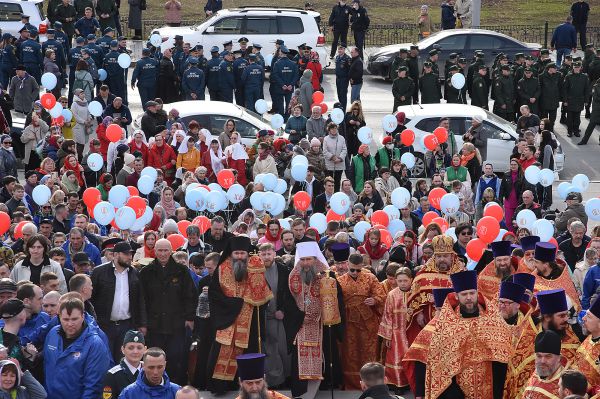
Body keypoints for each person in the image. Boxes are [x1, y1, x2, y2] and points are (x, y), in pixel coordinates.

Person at [414, 270, 511, 398]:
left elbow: (502, 359)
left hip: (488, 389)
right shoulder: (447, 325)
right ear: (456, 296)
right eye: (464, 294)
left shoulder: (493, 321)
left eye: (472, 293)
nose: (469, 297)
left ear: (477, 293)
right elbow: (441, 366)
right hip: (458, 391)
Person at [206, 236, 273, 393]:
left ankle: (250, 387)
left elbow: (263, 292)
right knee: (222, 351)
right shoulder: (222, 269)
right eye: (237, 253)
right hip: (227, 319)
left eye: (243, 253)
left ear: (247, 253)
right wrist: (234, 304)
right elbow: (214, 294)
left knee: (249, 353)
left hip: (250, 322)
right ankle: (220, 387)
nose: (240, 257)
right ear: (232, 252)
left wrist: (257, 299)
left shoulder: (255, 266)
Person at [287, 241, 344, 398]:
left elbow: (336, 300)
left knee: (325, 353)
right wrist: (300, 316)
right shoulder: (293, 276)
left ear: (315, 259)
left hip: (322, 325)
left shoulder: (327, 275)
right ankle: (301, 392)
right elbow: (287, 301)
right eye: (303, 260)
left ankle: (324, 386)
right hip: (301, 324)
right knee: (299, 359)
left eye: (309, 259)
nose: (306, 263)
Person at [139, 239, 197, 385]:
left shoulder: (181, 270)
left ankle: (177, 388)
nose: (163, 254)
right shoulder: (146, 272)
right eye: (160, 250)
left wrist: (189, 318)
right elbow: (141, 300)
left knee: (177, 357)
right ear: (155, 251)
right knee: (156, 358)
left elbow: (190, 296)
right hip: (155, 325)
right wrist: (143, 323)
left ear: (171, 251)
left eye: (166, 250)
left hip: (176, 323)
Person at [504, 288, 581, 398]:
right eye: (561, 316)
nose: (566, 319)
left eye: (566, 314)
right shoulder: (527, 335)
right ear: (547, 317)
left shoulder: (572, 341)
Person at [43, 296, 111, 399]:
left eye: (74, 319)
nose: (70, 324)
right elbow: (46, 368)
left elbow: (94, 386)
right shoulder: (52, 334)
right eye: (66, 319)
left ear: (83, 316)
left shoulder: (95, 344)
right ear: (59, 317)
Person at [90, 241, 147, 362]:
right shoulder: (99, 272)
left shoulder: (134, 273)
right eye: (126, 254)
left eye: (131, 254)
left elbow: (140, 300)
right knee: (104, 359)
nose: (129, 257)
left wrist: (142, 324)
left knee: (123, 360)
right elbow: (91, 299)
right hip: (104, 325)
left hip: (127, 325)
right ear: (115, 255)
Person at [338, 252, 386, 389]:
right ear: (347, 265)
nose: (355, 272)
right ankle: (351, 384)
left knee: (369, 351)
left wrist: (374, 300)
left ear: (362, 267)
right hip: (349, 322)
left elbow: (381, 295)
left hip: (368, 322)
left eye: (358, 270)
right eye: (352, 269)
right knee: (350, 352)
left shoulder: (370, 278)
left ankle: (372, 383)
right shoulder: (340, 280)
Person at [404, 236, 464, 343]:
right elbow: (413, 296)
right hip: (429, 322)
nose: (442, 259)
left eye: (445, 256)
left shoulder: (461, 273)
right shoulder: (423, 274)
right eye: (439, 256)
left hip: (456, 321)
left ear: (452, 256)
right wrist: (418, 313)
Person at [257, 244, 291, 388]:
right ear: (259, 255)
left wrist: (282, 310)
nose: (266, 257)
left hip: (280, 317)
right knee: (270, 350)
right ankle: (275, 381)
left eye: (269, 254)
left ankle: (288, 378)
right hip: (264, 317)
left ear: (274, 253)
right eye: (263, 255)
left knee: (283, 348)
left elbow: (290, 294)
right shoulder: (255, 271)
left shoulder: (284, 270)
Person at [378, 267, 412, 390]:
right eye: (400, 281)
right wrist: (387, 335)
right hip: (396, 333)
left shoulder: (415, 292)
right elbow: (387, 315)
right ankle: (396, 384)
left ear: (411, 280)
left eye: (405, 280)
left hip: (411, 332)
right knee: (396, 359)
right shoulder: (392, 294)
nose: (402, 283)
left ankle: (410, 383)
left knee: (411, 359)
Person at [101, 330, 146, 399]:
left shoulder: (148, 371)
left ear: (145, 350)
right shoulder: (112, 375)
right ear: (123, 349)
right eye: (131, 348)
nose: (135, 351)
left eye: (139, 348)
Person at [522, 330, 565, 397]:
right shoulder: (535, 374)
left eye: (548, 356)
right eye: (539, 356)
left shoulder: (567, 384)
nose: (542, 361)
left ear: (559, 358)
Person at [564, 61, 591, 137]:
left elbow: (587, 90)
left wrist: (586, 100)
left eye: (578, 67)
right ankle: (569, 131)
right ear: (573, 67)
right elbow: (565, 89)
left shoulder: (584, 77)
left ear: (580, 68)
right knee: (569, 118)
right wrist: (565, 100)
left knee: (577, 118)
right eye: (575, 67)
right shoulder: (568, 76)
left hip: (579, 100)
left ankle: (576, 131)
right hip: (570, 100)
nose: (576, 69)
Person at [578, 78, 600, 145]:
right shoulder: (596, 86)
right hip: (597, 109)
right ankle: (584, 140)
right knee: (591, 125)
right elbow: (595, 98)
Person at [335, 46, 351, 111]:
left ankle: (343, 111)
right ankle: (340, 108)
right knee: (339, 94)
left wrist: (349, 79)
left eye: (341, 49)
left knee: (343, 96)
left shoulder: (347, 58)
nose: (339, 50)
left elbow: (350, 70)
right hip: (338, 79)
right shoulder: (337, 57)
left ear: (344, 49)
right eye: (339, 49)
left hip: (344, 79)